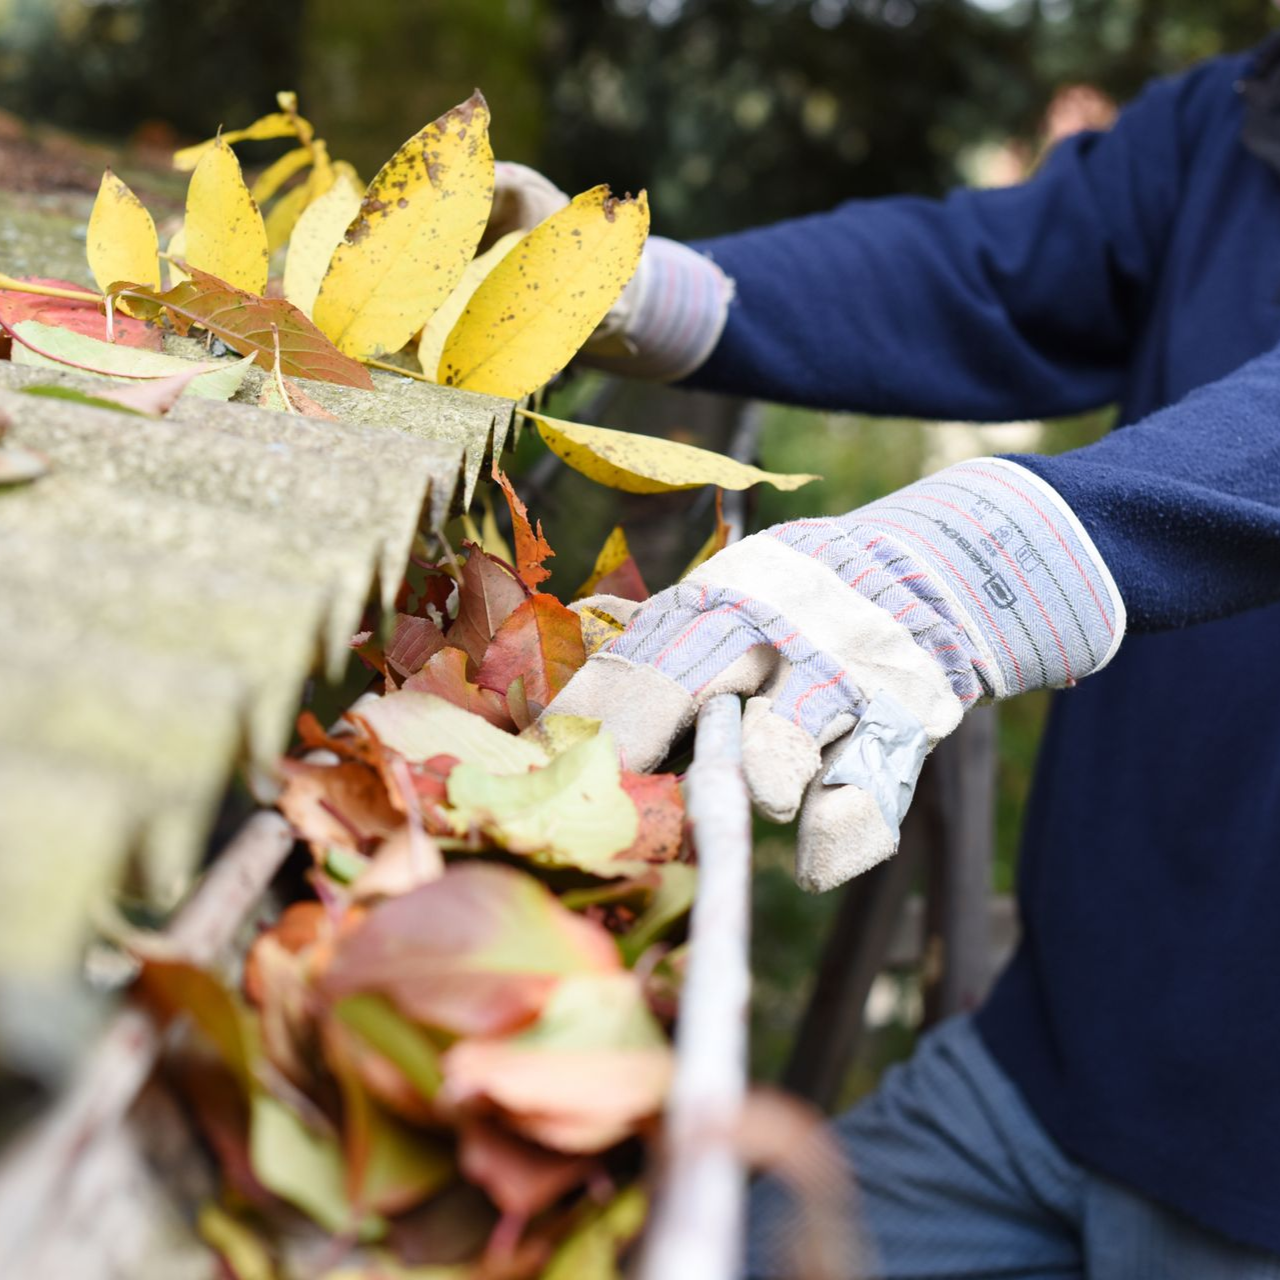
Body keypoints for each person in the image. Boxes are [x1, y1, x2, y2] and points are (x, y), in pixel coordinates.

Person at [490, 33, 1280, 1280]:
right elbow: (990, 273)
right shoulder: (1240, 113)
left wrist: (996, 551)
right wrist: (650, 290)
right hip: (1045, 1072)